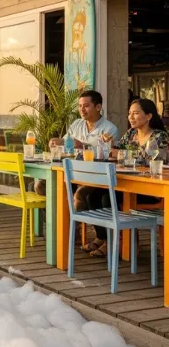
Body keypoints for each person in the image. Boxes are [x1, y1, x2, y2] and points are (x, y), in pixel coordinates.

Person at [80, 98, 169, 258]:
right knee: (92, 196)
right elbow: (115, 151)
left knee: (108, 198)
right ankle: (103, 238)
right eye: (129, 113)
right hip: (129, 184)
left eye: (135, 113)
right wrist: (110, 144)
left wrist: (121, 154)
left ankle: (113, 244)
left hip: (150, 188)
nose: (131, 117)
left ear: (148, 116)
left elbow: (155, 160)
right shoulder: (131, 134)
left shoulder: (159, 136)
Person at [49, 90, 119, 150]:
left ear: (98, 107)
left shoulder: (110, 129)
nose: (82, 109)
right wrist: (58, 142)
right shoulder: (76, 123)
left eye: (86, 106)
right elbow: (65, 141)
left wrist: (83, 146)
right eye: (80, 106)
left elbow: (108, 154)